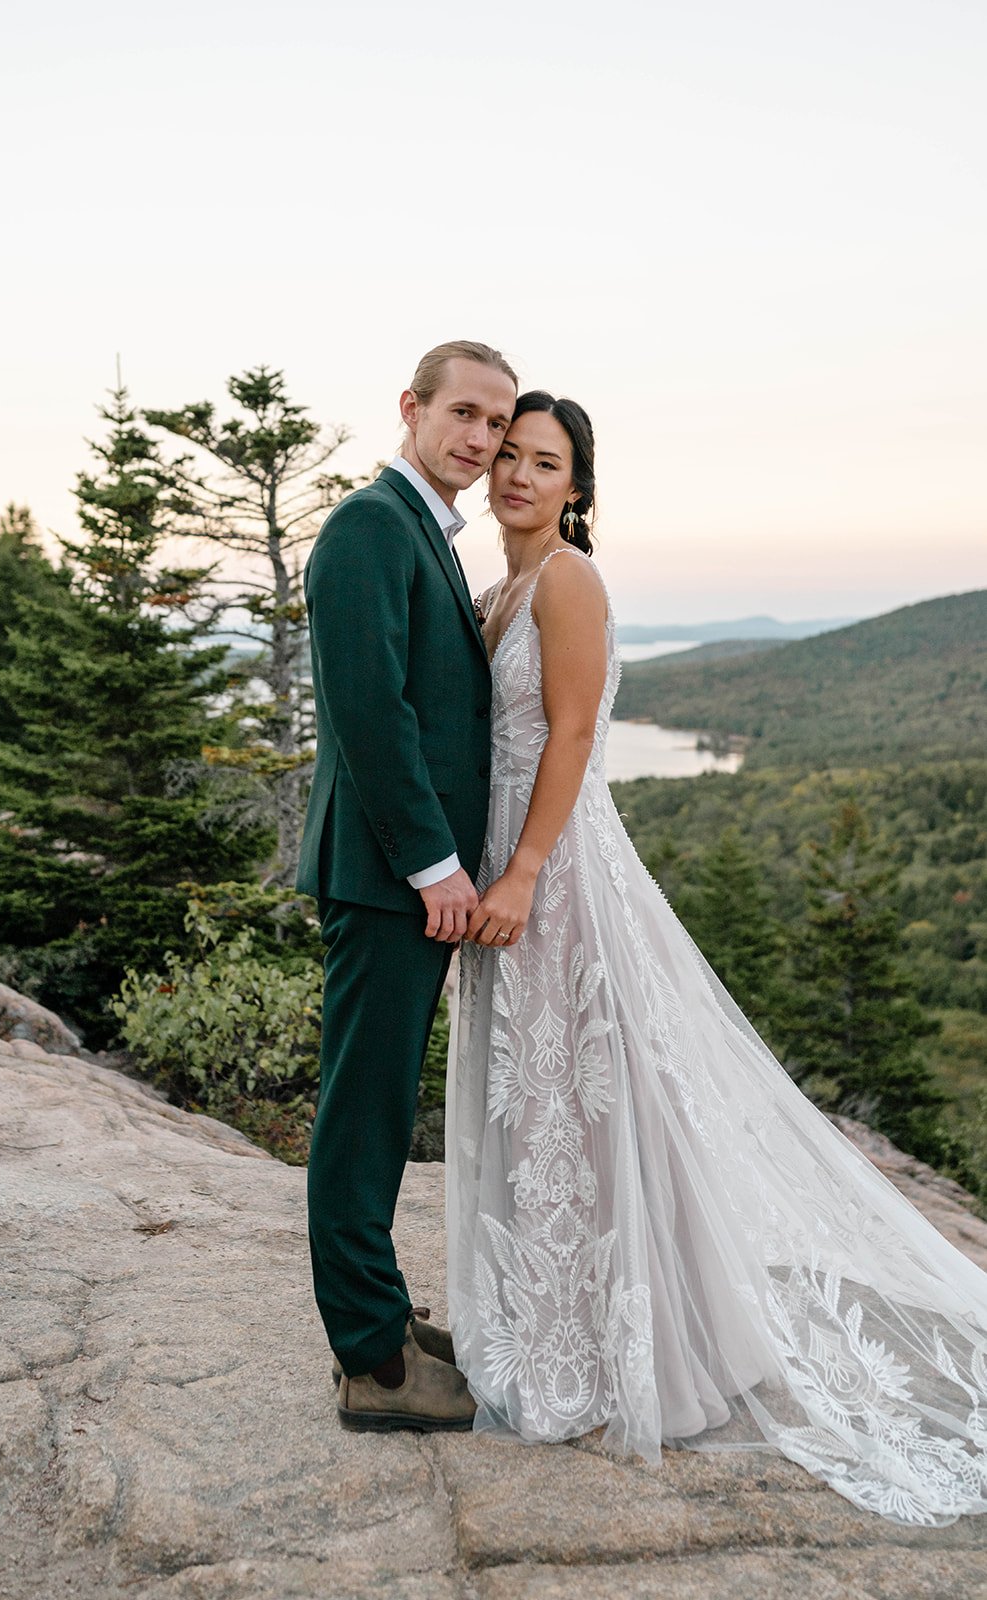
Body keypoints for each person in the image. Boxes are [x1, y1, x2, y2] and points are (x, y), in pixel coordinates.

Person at [446, 390, 987, 1526]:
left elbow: (578, 734)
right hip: (506, 863)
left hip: (553, 874)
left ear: (576, 489)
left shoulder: (569, 581)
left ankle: (629, 1356)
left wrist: (525, 870)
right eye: (507, 455)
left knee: (586, 1101)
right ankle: (561, 1329)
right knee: (548, 1104)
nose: (517, 476)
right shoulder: (495, 589)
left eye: (544, 463)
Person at [297, 339, 518, 1432]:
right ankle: (371, 1363)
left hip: (403, 880)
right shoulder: (366, 527)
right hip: (387, 878)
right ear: (413, 408)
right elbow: (369, 714)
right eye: (463, 415)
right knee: (362, 1111)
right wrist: (435, 866)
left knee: (381, 1105)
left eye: (495, 423)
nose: (479, 440)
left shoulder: (420, 531)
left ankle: (378, 1311)